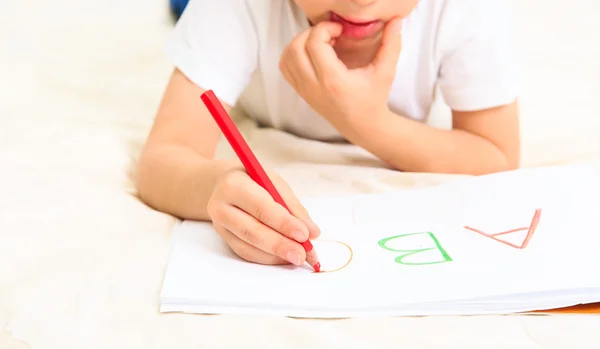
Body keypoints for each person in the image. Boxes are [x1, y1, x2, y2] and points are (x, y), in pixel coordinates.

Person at [136, 0, 521, 268]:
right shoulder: (234, 7)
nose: (362, 1)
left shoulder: (471, 8)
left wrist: (367, 123)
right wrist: (218, 185)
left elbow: (497, 154)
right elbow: (163, 158)